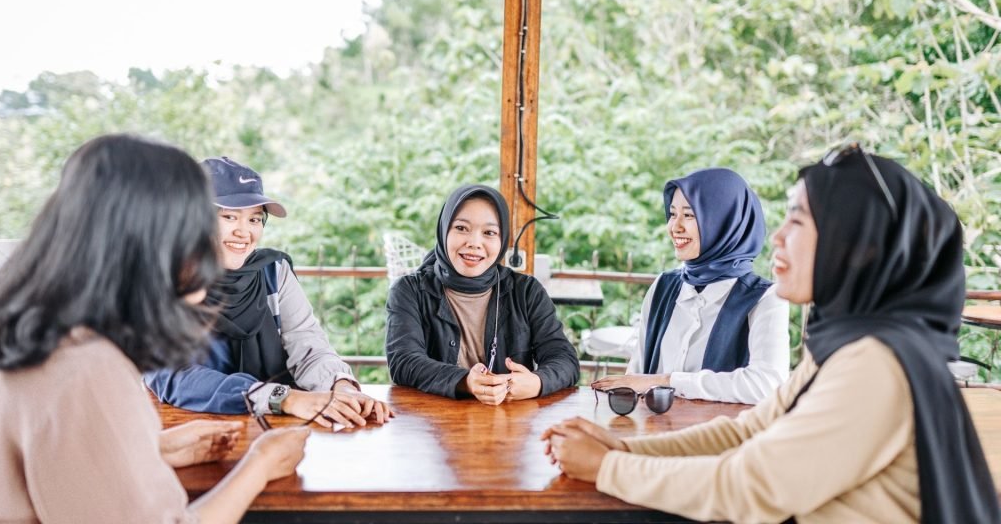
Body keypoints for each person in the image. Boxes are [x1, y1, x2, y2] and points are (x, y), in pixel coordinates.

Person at [543, 147, 1000, 523]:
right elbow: (745, 432)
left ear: (856, 246)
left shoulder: (878, 364)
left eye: (797, 221)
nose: (777, 237)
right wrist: (623, 445)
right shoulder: (849, 351)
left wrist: (608, 466)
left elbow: (750, 486)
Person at [0, 134, 309, 524]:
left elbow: (52, 456)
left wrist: (154, 448)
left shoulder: (24, 328)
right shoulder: (89, 369)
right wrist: (262, 463)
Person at [145, 157, 391, 429]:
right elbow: (171, 375)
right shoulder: (161, 279)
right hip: (186, 432)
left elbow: (307, 346)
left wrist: (341, 387)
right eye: (229, 216)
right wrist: (283, 398)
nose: (244, 232)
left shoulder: (274, 272)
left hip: (272, 430)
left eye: (255, 219)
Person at [592, 168, 789, 404]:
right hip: (653, 435)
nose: (675, 227)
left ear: (723, 222)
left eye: (690, 215)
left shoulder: (764, 298)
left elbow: (766, 386)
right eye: (672, 214)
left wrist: (669, 381)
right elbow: (637, 377)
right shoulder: (663, 287)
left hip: (724, 437)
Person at [385, 184, 580, 404]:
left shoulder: (526, 291)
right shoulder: (409, 291)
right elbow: (403, 362)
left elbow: (564, 359)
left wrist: (537, 382)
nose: (474, 243)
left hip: (509, 424)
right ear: (443, 230)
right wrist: (466, 381)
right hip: (432, 426)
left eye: (489, 233)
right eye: (461, 228)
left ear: (503, 239)